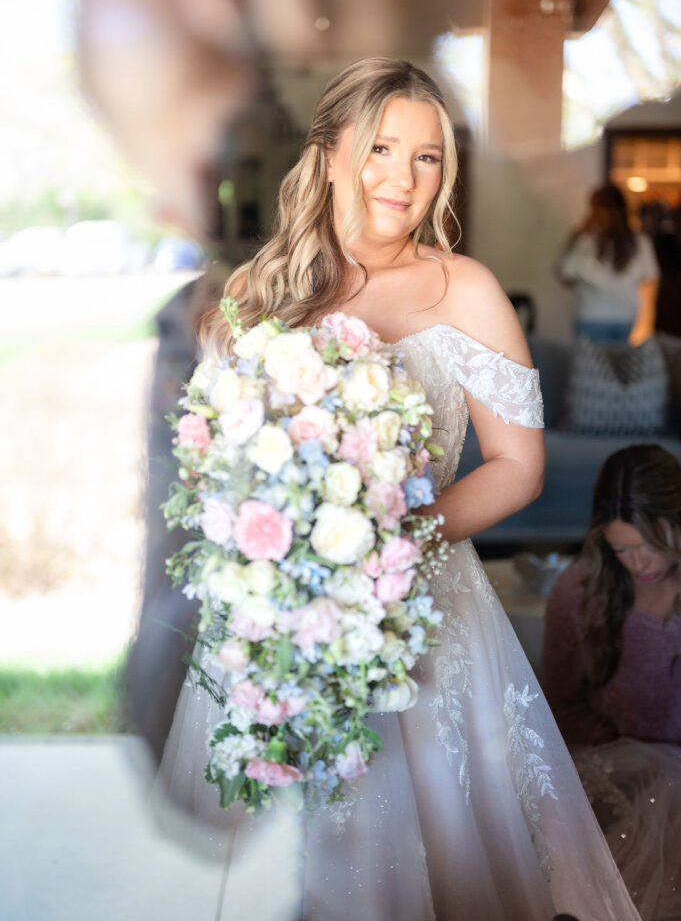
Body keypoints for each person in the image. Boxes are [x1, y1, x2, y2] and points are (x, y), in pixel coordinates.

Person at [158, 57, 641, 920]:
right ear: (329, 156)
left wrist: (388, 543)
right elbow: (216, 459)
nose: (403, 178)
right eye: (381, 148)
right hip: (275, 623)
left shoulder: (465, 291)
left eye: (427, 158)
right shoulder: (254, 294)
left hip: (422, 616)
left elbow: (518, 467)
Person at [542, 444, 681, 920]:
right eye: (622, 549)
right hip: (612, 774)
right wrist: (629, 762)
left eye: (653, 544)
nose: (640, 563)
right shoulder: (580, 590)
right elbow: (560, 701)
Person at [557, 183, 659, 344]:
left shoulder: (586, 240)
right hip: (625, 316)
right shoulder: (639, 242)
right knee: (619, 360)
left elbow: (566, 275)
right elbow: (649, 280)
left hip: (593, 315)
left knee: (592, 360)